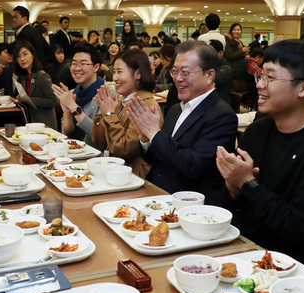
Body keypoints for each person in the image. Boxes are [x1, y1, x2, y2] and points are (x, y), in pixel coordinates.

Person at [216, 39, 304, 272]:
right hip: (241, 250)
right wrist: (233, 187)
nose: (260, 85)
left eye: (271, 77)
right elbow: (231, 207)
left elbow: (299, 231)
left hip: (288, 268)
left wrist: (248, 184)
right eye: (261, 75)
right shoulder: (257, 131)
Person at [128, 40, 237, 205]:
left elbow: (192, 166)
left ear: (209, 75)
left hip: (190, 206)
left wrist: (154, 134)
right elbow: (155, 158)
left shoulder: (222, 116)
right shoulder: (175, 110)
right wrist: (145, 139)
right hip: (156, 195)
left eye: (185, 72)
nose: (178, 79)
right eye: (174, 71)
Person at [91, 49, 160, 178]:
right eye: (114, 71)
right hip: (116, 170)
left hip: (134, 175)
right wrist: (104, 111)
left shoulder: (144, 104)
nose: (115, 77)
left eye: (119, 72)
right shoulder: (123, 101)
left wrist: (110, 114)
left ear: (138, 74)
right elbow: (99, 142)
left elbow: (123, 149)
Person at [53, 43, 112, 148]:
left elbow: (101, 137)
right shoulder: (72, 93)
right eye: (74, 63)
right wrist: (67, 114)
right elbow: (66, 132)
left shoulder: (107, 94)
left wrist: (74, 108)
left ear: (96, 67)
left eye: (83, 64)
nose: (77, 68)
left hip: (97, 157)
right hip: (72, 152)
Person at [12, 40, 58, 129]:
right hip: (31, 123)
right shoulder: (24, 77)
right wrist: (21, 99)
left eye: (25, 54)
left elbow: (54, 101)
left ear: (33, 55)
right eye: (18, 56)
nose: (22, 59)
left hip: (45, 125)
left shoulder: (42, 76)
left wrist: (28, 99)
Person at [210, 39, 233, 106]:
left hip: (221, 104)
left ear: (220, 53)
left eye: (211, 53)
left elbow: (214, 79)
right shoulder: (209, 66)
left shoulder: (226, 69)